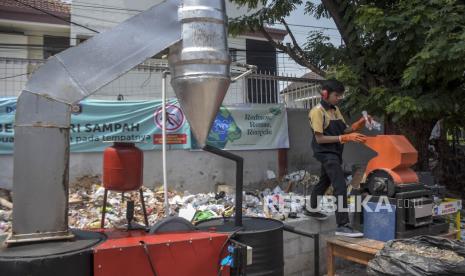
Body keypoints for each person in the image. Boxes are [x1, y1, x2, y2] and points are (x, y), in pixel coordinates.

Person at [307, 79, 369, 238]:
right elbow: (320, 138)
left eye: (341, 95)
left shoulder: (335, 110)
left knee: (325, 181)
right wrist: (344, 138)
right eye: (337, 95)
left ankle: (310, 208)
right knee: (340, 186)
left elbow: (345, 129)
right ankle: (342, 225)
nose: (339, 98)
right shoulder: (317, 112)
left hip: (334, 152)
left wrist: (358, 124)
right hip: (325, 152)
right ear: (325, 94)